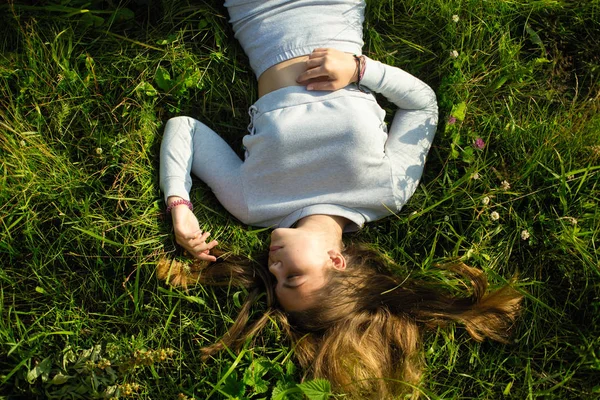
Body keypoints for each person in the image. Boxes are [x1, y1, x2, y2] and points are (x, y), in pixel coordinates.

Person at [157, 1, 522, 398]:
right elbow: (422, 105)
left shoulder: (252, 204)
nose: (273, 266)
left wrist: (180, 206)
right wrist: (360, 69)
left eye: (275, 280)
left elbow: (185, 130)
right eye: (292, 277)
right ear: (336, 261)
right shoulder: (386, 195)